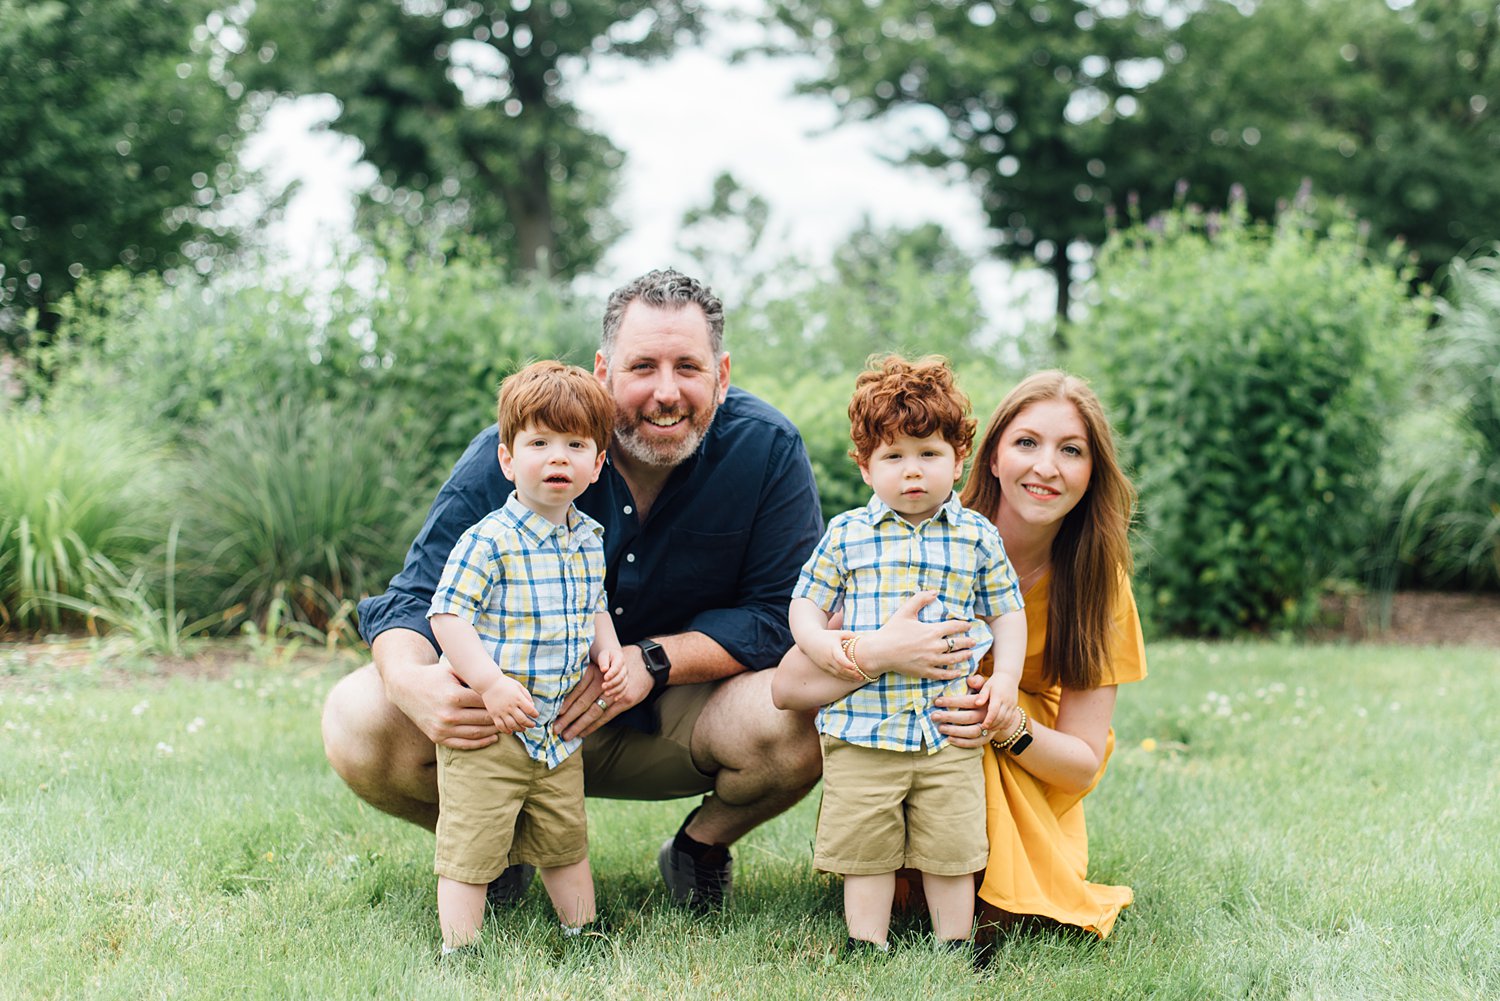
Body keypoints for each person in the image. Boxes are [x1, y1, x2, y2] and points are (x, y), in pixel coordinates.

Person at [327, 269, 825, 914]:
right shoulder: (514, 449)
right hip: (510, 712)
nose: (666, 392)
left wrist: (652, 663)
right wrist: (408, 684)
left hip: (677, 710)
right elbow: (417, 594)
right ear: (603, 370)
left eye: (689, 368)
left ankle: (699, 849)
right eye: (642, 366)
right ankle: (497, 852)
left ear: (722, 374)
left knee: (809, 708)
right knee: (358, 713)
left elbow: (781, 615)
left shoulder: (767, 449)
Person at [773, 369, 1147, 941]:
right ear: (990, 458)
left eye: (1071, 450)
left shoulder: (1099, 582)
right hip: (901, 723)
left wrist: (1004, 720)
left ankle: (969, 900)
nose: (1046, 466)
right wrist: (881, 649)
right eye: (1027, 443)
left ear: (1092, 471)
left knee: (966, 758)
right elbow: (789, 688)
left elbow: (1080, 765)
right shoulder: (914, 534)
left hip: (1018, 752)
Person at [780, 355, 1027, 954]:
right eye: (893, 457)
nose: (911, 472)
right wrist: (829, 649)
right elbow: (804, 607)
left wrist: (1007, 683)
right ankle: (867, 943)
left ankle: (957, 942)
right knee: (866, 850)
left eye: (928, 454)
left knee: (952, 847)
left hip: (946, 734)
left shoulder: (976, 535)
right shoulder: (847, 535)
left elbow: (1008, 611)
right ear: (866, 467)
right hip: (864, 728)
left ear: (959, 459)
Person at [426, 361, 623, 952]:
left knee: (566, 839)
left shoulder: (588, 539)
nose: (557, 458)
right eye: (539, 442)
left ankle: (582, 931)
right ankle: (460, 948)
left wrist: (607, 646)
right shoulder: (490, 540)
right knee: (472, 844)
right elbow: (448, 615)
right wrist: (487, 682)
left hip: (556, 733)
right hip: (491, 730)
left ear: (597, 464)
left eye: (575, 445)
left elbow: (594, 604)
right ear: (508, 459)